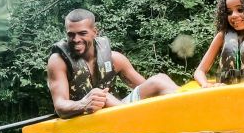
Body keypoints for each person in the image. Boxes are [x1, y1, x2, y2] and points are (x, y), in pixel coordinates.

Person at [46, 9, 178, 118]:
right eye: (71, 35)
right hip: (81, 117)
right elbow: (60, 107)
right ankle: (139, 120)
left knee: (160, 80)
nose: (76, 39)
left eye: (82, 33)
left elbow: (145, 90)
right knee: (102, 95)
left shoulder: (115, 58)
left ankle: (187, 108)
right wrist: (84, 104)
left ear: (95, 32)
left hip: (117, 111)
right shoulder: (58, 61)